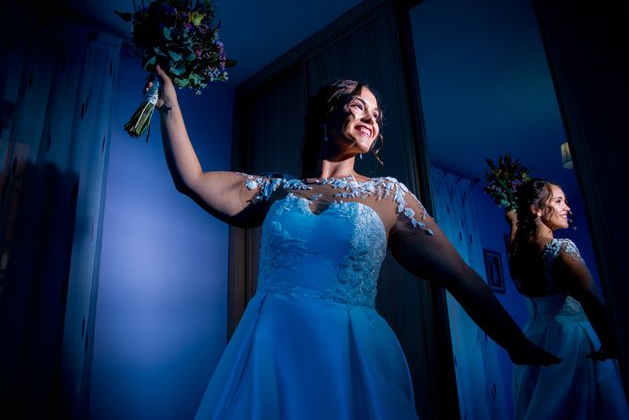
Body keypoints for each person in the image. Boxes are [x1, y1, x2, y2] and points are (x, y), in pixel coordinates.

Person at [148, 65, 559, 419]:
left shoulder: (388, 196)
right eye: (360, 105)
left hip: (349, 353)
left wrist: (516, 343)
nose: (372, 118)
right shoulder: (276, 191)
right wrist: (169, 104)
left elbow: (460, 275)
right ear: (328, 111)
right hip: (269, 351)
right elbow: (193, 180)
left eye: (377, 114)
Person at [506, 179, 629, 419]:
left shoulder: (516, 252)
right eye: (559, 201)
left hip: (535, 341)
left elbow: (513, 223)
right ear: (537, 209)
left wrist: (515, 220)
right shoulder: (561, 249)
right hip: (570, 342)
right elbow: (592, 299)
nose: (568, 208)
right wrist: (613, 344)